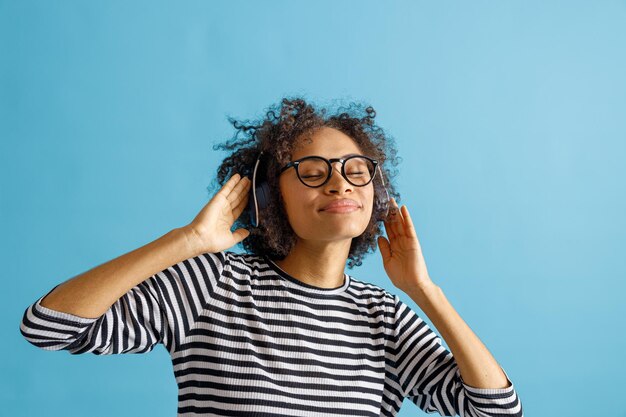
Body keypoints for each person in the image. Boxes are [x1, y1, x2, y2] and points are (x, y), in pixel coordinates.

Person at [20, 97, 523, 417]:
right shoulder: (211, 285)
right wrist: (187, 241)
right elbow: (48, 327)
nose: (339, 181)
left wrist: (424, 292)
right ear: (268, 194)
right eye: (311, 170)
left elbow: (496, 411)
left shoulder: (386, 317)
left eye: (355, 168)